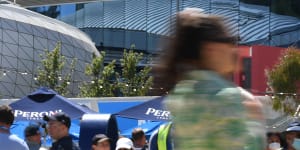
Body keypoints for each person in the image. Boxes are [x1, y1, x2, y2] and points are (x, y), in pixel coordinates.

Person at [154, 7, 266, 149]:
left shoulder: (180, 93)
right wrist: (255, 123)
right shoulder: (229, 97)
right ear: (210, 49)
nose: (234, 48)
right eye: (229, 41)